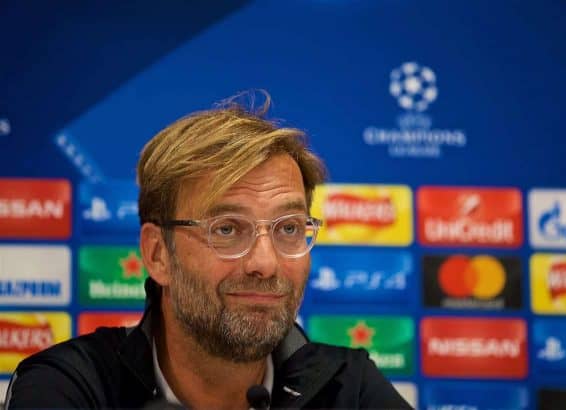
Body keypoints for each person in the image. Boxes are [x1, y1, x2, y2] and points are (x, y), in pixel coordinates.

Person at [4, 92, 413, 409]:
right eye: (228, 229)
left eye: (288, 228)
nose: (265, 263)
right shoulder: (71, 388)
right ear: (157, 253)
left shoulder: (349, 389)